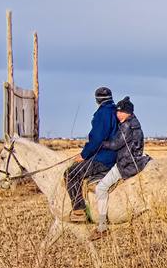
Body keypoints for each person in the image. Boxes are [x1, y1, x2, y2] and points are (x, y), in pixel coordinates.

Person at [90, 96, 153, 240]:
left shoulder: (126, 125)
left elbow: (115, 145)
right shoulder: (136, 124)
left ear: (127, 112)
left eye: (120, 112)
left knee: (100, 188)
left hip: (126, 164)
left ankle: (102, 226)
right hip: (136, 160)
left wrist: (100, 143)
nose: (117, 114)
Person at [64, 87, 118, 223]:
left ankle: (78, 211)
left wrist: (84, 155)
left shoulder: (103, 113)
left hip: (104, 158)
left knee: (71, 174)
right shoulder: (115, 111)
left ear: (97, 100)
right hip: (114, 154)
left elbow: (97, 138)